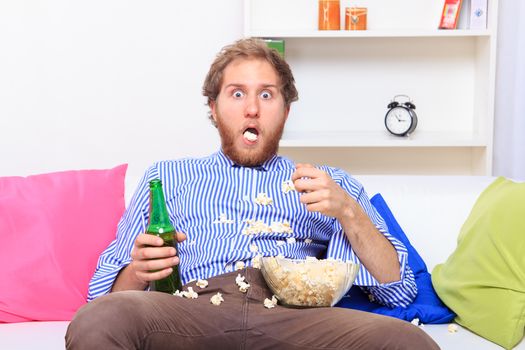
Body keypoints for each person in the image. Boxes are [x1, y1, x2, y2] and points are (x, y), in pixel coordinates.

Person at [66, 38, 439, 349]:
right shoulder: (167, 177)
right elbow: (103, 297)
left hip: (296, 318)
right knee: (98, 321)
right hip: (191, 311)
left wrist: (349, 212)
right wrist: (137, 270)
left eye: (266, 95)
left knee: (409, 342)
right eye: (237, 93)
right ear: (214, 108)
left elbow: (398, 292)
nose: (251, 109)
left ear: (286, 111)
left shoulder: (327, 183)